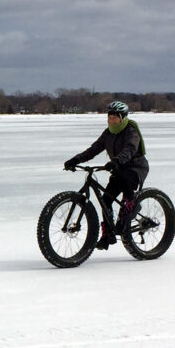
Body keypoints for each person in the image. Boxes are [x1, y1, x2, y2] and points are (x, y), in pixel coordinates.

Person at [63, 101, 149, 250]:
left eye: (115, 117)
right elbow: (94, 149)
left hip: (136, 168)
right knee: (106, 200)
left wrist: (116, 160)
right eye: (109, 117)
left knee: (124, 178)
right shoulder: (108, 133)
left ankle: (132, 203)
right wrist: (76, 159)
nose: (111, 120)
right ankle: (107, 233)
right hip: (118, 168)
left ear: (122, 117)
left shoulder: (131, 131)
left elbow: (130, 149)